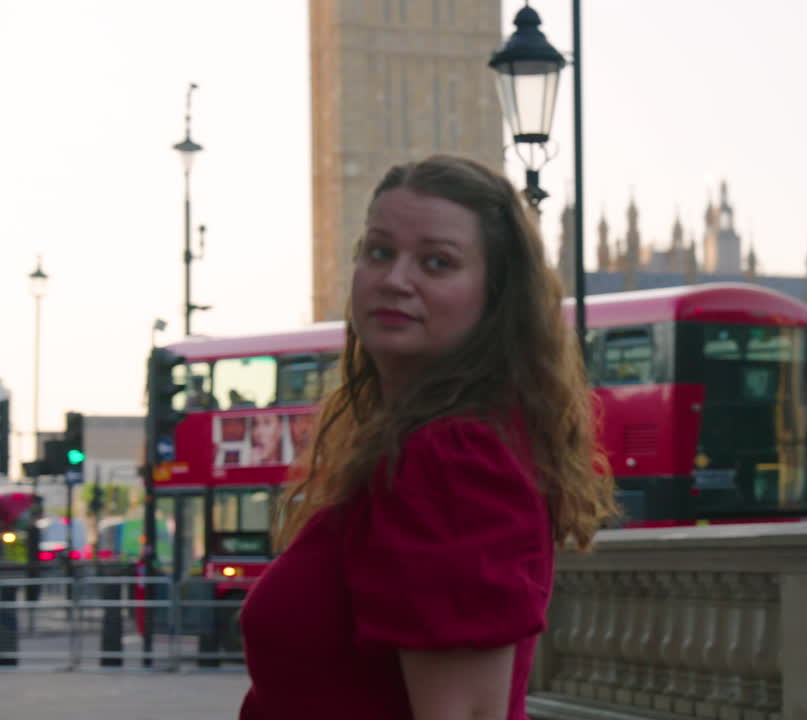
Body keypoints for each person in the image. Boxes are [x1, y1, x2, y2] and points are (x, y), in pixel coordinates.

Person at [237, 155, 617, 720]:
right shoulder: (411, 444)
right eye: (379, 251)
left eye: (436, 262)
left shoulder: (453, 459)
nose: (395, 279)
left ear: (495, 297)